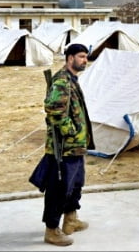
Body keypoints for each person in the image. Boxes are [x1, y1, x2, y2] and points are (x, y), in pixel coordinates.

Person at [30, 43, 95, 246]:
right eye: (81, 56)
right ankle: (51, 230)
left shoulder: (72, 79)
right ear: (70, 58)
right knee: (58, 188)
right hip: (64, 148)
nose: (85, 60)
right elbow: (53, 109)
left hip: (76, 146)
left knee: (75, 185)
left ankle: (70, 220)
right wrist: (71, 133)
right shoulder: (61, 81)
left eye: (85, 57)